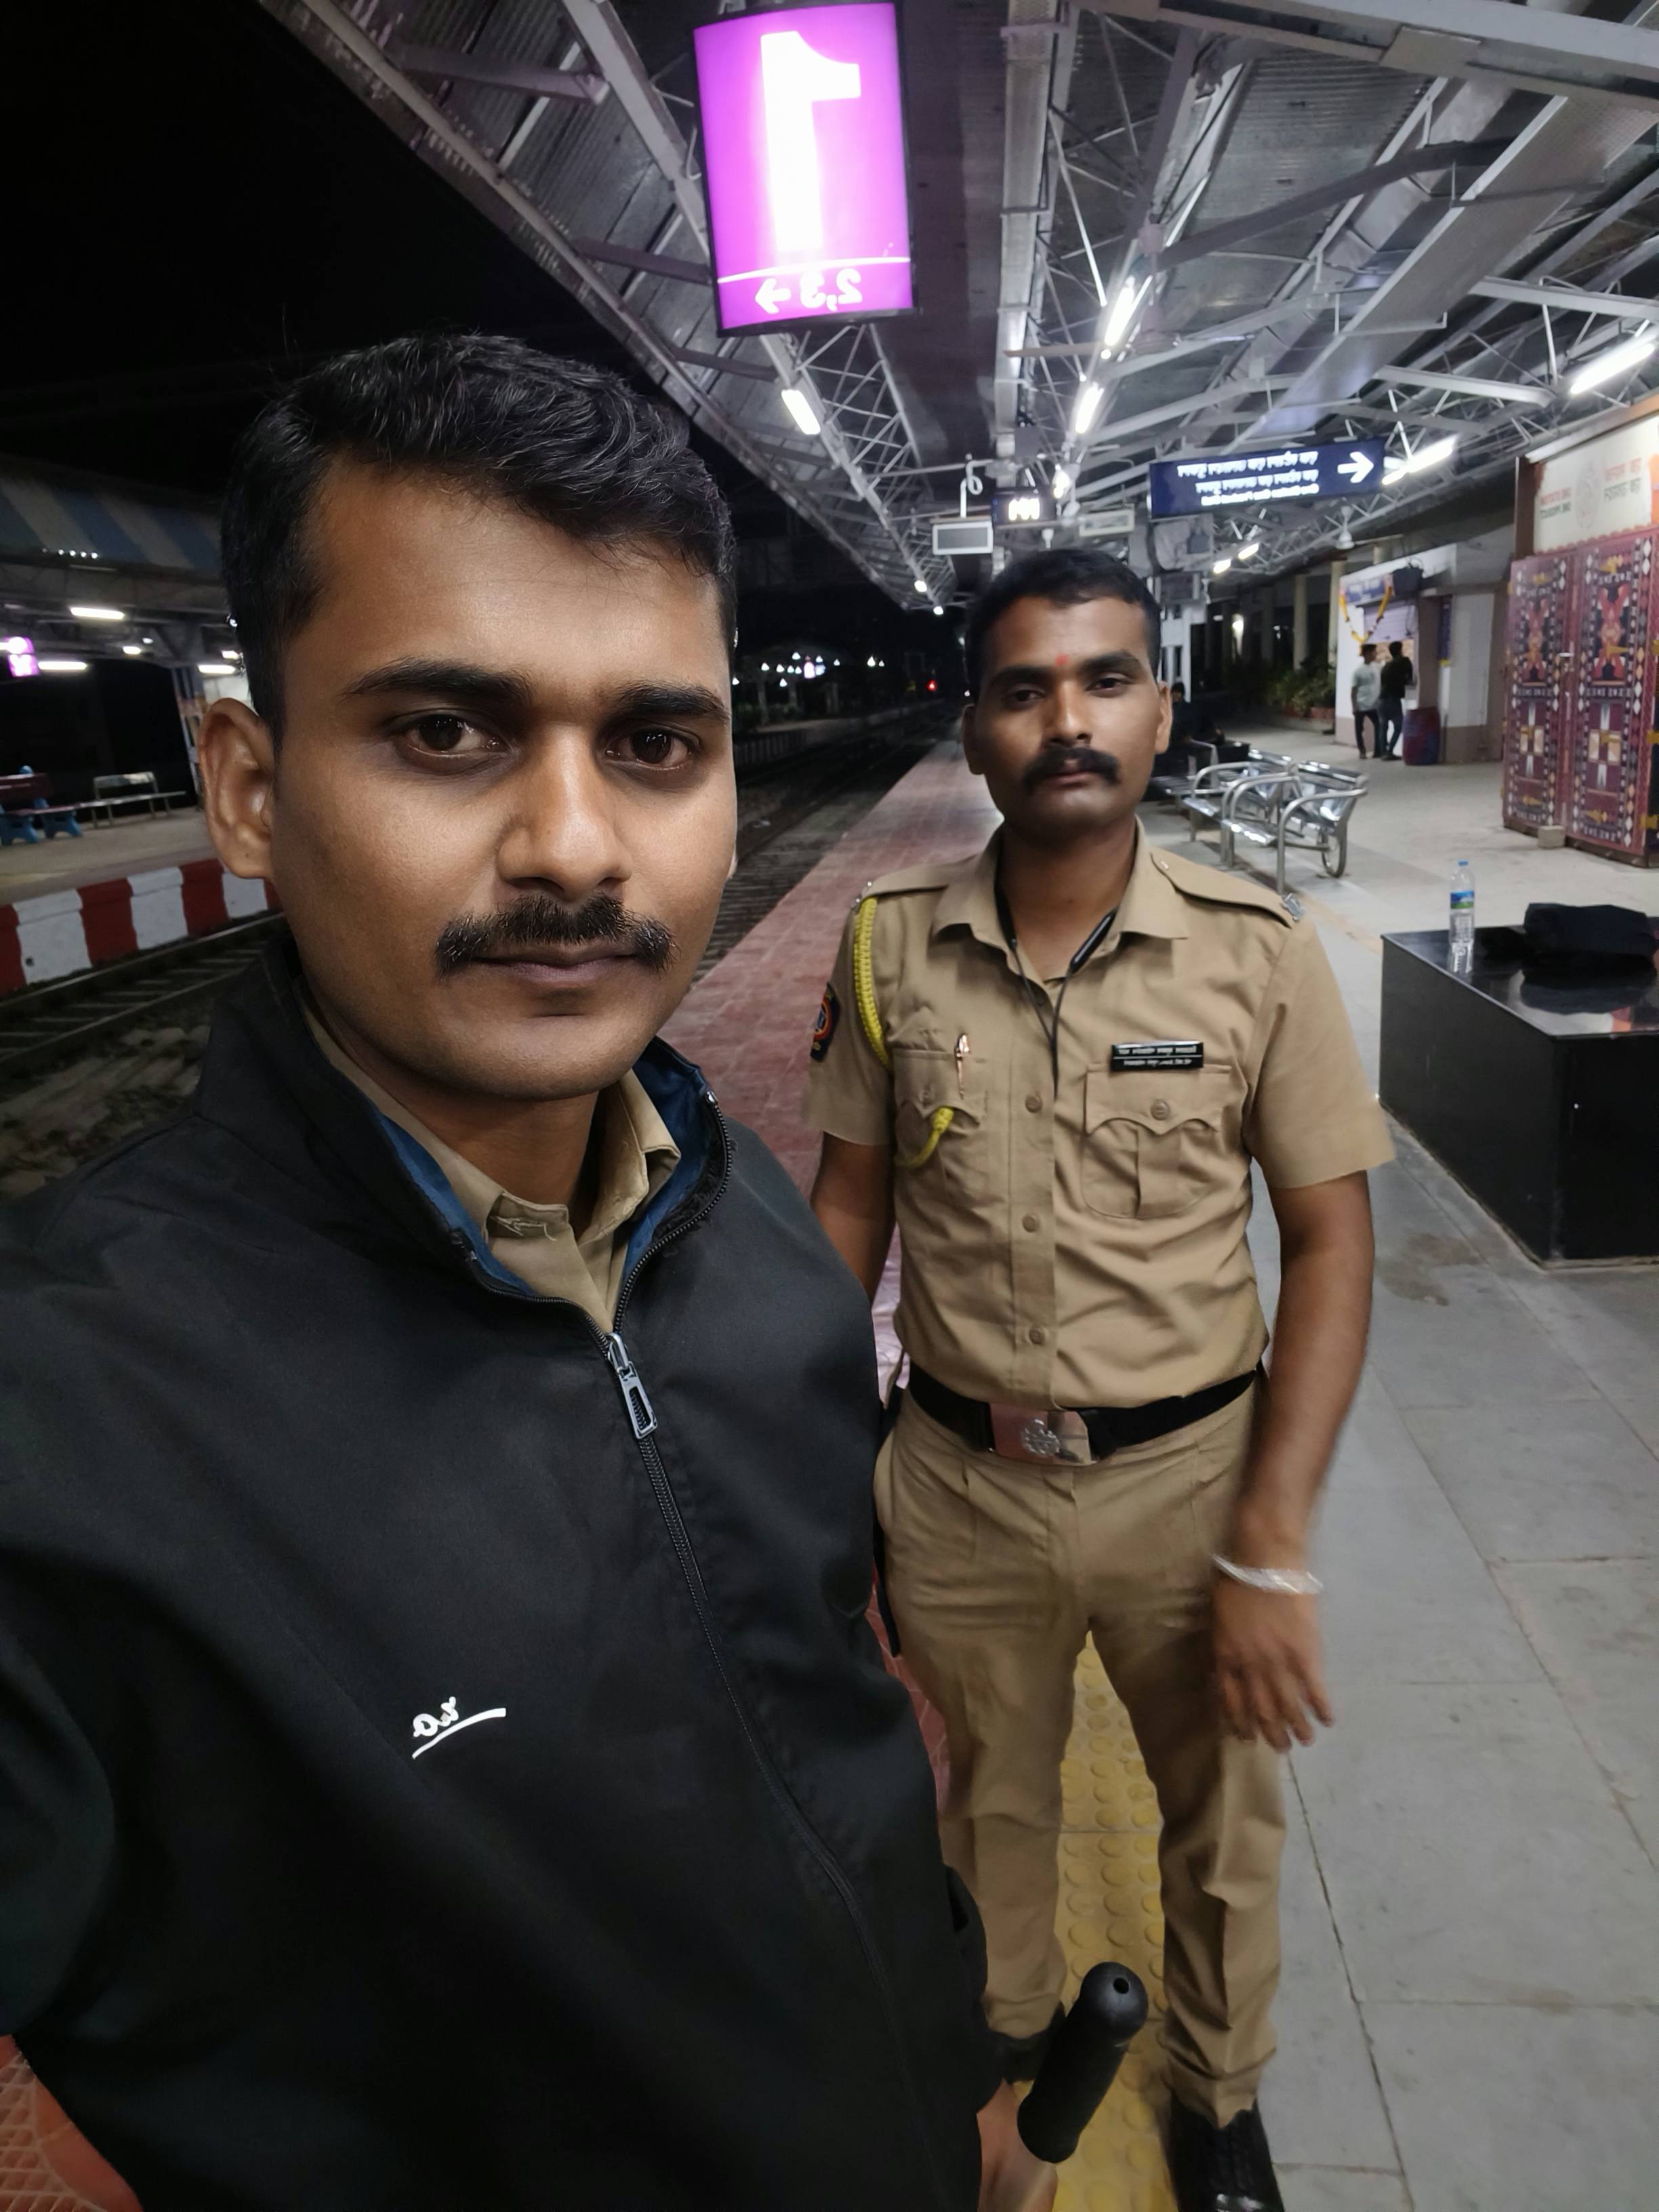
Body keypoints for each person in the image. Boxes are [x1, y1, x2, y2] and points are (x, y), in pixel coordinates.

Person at [0, 336, 1052, 2212]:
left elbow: (836, 1744)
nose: (574, 846)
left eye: (653, 745)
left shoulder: (751, 1237)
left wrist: (949, 2069)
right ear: (246, 785)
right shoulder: (59, 1425)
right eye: (443, 733)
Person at [805, 548, 1390, 2212]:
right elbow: (846, 1214)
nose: (1065, 718)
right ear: (975, 730)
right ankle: (1004, 2083)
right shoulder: (889, 951)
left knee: (1219, 1824)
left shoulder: (1254, 954)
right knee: (984, 1808)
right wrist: (820, 1472)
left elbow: (1329, 1246)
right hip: (957, 1481)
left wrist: (1269, 1546)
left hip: (1189, 1489)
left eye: (1104, 679)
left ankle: (1217, 2097)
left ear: (1159, 708)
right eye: (1023, 688)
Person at [1376, 638, 1414, 759]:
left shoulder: (1386, 666)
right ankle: (1390, 751)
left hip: (1382, 700)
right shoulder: (1404, 661)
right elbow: (1410, 677)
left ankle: (1383, 752)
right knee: (1399, 726)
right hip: (1393, 699)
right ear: (1401, 650)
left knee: (1383, 727)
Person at [1349, 640, 1381, 757]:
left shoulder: (1378, 667)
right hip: (1361, 704)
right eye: (1374, 652)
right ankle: (1362, 751)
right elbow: (1354, 690)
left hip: (1375, 704)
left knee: (1379, 725)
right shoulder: (1358, 671)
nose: (1376, 654)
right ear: (1367, 653)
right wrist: (1354, 706)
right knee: (1359, 729)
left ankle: (1378, 750)